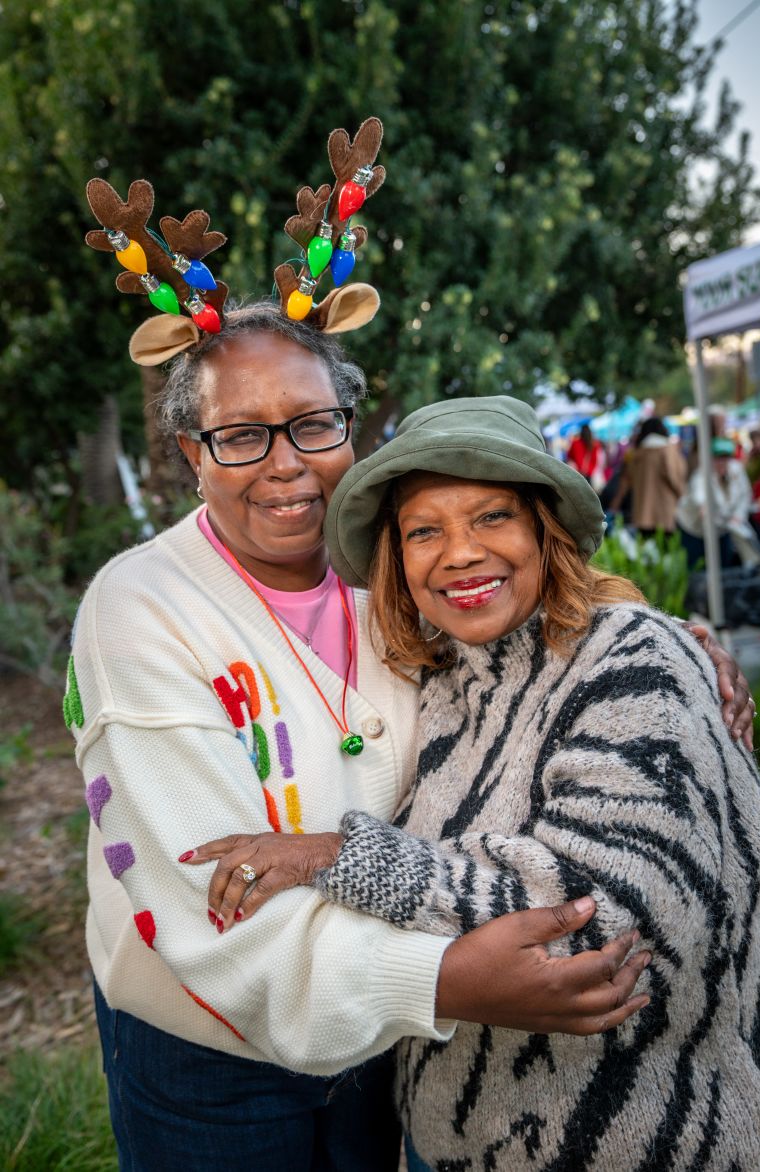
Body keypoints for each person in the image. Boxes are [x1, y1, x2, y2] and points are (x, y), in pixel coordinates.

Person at [70, 304, 672, 1171]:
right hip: (212, 1049)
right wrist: (446, 980)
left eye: (313, 425)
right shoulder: (140, 611)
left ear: (351, 427)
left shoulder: (394, 568)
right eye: (240, 436)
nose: (286, 464)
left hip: (386, 1034)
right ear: (190, 453)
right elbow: (211, 891)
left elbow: (539, 613)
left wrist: (664, 639)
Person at [195, 397, 760, 1171]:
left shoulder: (634, 662)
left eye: (492, 517)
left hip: (642, 1141)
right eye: (424, 531)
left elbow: (603, 924)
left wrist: (335, 857)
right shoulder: (438, 680)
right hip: (456, 1145)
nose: (459, 552)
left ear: (546, 529)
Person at [676, 436, 760, 569]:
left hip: (722, 528)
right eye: (717, 458)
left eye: (725, 457)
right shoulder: (701, 476)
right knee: (697, 566)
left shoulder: (737, 470)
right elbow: (699, 494)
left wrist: (738, 516)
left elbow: (744, 495)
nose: (722, 462)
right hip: (694, 529)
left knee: (724, 564)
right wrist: (703, 506)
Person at [621, 416, 687, 537]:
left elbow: (628, 479)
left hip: (642, 513)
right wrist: (682, 495)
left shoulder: (636, 453)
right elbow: (675, 477)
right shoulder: (668, 450)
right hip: (666, 513)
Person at [566, 422, 606, 490]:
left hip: (577, 474)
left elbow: (569, 457)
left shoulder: (575, 443)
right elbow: (596, 461)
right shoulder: (595, 445)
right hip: (589, 475)